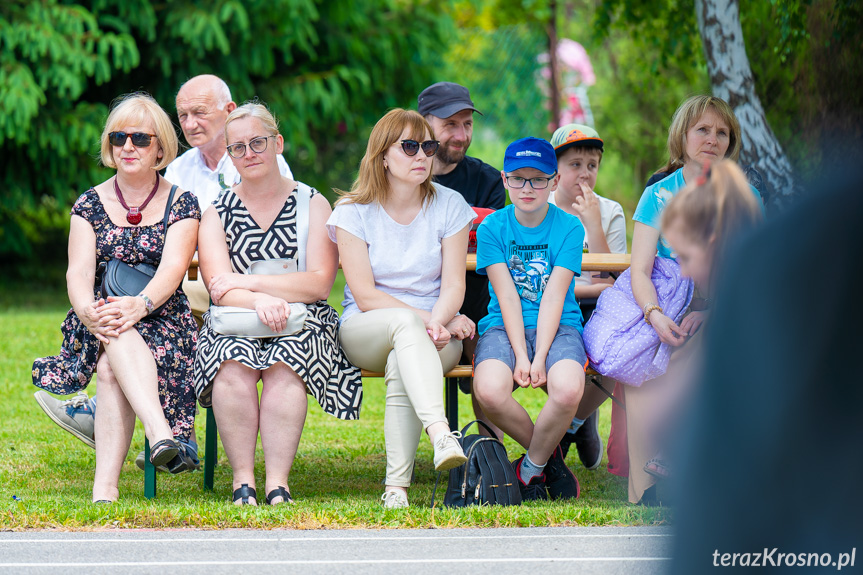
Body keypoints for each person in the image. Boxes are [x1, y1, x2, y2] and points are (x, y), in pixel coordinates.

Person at [33, 75, 293, 466]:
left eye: (199, 112)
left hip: (236, 280)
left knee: (169, 302)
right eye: (183, 114)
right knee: (135, 310)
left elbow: (271, 231)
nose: (189, 123)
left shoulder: (255, 157)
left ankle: (140, 414)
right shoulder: (181, 169)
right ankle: (169, 432)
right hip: (179, 285)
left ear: (229, 110)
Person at [31, 93, 200, 502]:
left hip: (163, 318)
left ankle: (104, 488)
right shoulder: (89, 203)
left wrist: (139, 305)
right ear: (109, 145)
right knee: (112, 328)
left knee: (109, 369)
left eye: (140, 139)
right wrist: (88, 312)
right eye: (118, 137)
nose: (128, 146)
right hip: (101, 317)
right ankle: (161, 434)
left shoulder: (182, 202)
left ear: (160, 146)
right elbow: (79, 274)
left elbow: (173, 271)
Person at [194, 103, 361, 506]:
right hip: (237, 318)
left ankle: (278, 484)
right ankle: (243, 482)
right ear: (229, 156)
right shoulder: (216, 213)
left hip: (305, 321)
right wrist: (260, 300)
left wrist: (252, 283)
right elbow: (219, 288)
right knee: (231, 364)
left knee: (288, 363)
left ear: (278, 143)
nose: (249, 153)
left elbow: (319, 283)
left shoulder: (313, 203)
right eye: (238, 148)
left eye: (258, 143)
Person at [327, 108, 474, 509]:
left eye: (428, 146)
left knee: (401, 364)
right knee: (405, 328)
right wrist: (434, 320)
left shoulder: (451, 205)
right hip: (368, 327)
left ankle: (396, 489)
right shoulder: (352, 212)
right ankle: (441, 432)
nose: (422, 155)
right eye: (409, 146)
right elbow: (365, 294)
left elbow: (454, 284)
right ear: (383, 156)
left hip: (435, 331)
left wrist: (439, 320)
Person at [625, 94, 762, 504]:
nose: (712, 139)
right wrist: (654, 315)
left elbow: (751, 274)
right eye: (702, 129)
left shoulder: (744, 196)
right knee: (645, 360)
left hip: (727, 309)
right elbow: (639, 271)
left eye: (722, 133)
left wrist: (712, 311)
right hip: (663, 307)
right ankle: (650, 485)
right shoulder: (658, 195)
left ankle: (688, 468)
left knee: (703, 350)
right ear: (682, 136)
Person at [472, 137, 586, 502]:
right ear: (504, 180)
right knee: (488, 390)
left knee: (568, 389)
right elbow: (506, 295)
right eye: (518, 178)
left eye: (538, 179)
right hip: (504, 326)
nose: (527, 188)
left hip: (560, 323)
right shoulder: (493, 228)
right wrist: (522, 356)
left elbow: (554, 296)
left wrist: (539, 359)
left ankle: (530, 469)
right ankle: (549, 456)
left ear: (553, 182)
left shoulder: (569, 227)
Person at [418, 81, 506, 437]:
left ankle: (490, 457)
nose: (461, 134)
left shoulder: (487, 180)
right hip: (416, 298)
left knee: (487, 351)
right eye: (450, 124)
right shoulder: (404, 175)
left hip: (475, 300)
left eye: (467, 124)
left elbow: (494, 247)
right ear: (425, 125)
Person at [547, 123, 627, 471]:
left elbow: (611, 278)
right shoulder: (539, 207)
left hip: (595, 305)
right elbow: (540, 281)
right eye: (574, 164)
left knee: (619, 348)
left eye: (592, 165)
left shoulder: (610, 211)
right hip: (551, 303)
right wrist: (591, 287)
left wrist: (593, 223)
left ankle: (573, 424)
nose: (585, 173)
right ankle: (578, 418)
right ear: (555, 170)